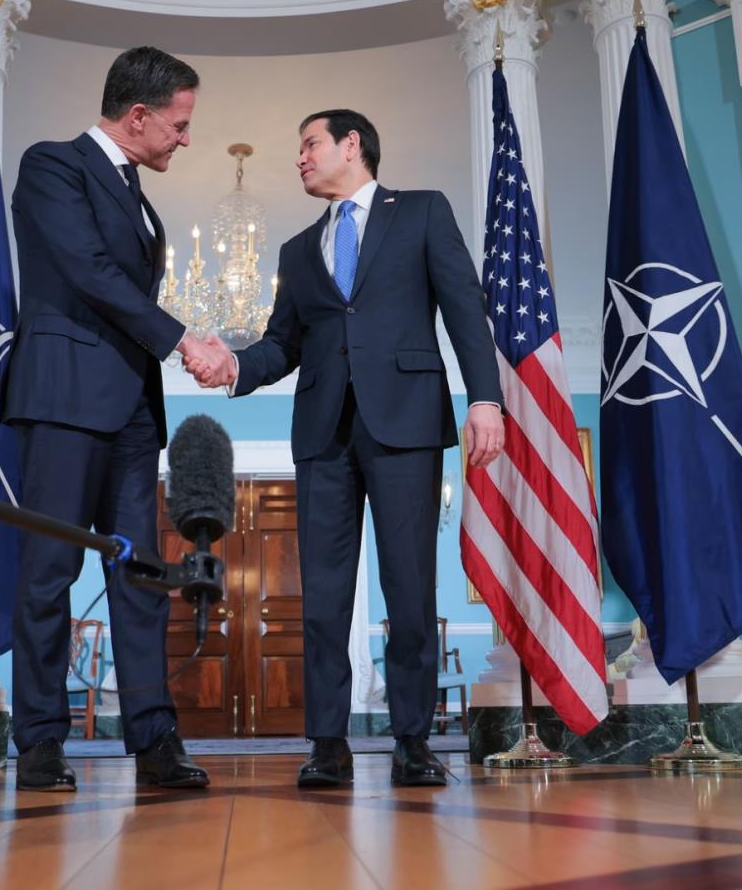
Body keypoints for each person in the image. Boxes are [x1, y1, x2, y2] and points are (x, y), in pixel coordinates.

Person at [185, 109, 505, 787]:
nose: (300, 158)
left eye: (310, 144)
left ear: (351, 144)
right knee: (323, 595)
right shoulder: (298, 249)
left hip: (406, 423)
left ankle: (412, 741)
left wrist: (485, 398)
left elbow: (464, 309)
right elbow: (283, 344)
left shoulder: (421, 212)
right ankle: (328, 743)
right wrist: (235, 364)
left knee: (409, 587)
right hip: (323, 433)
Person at [3, 47, 222, 791]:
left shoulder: (138, 194)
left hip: (130, 410)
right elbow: (90, 272)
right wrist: (183, 340)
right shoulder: (52, 165)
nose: (185, 138)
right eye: (179, 125)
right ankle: (40, 739)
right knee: (49, 571)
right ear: (137, 116)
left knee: (140, 577)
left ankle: (155, 739)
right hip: (64, 398)